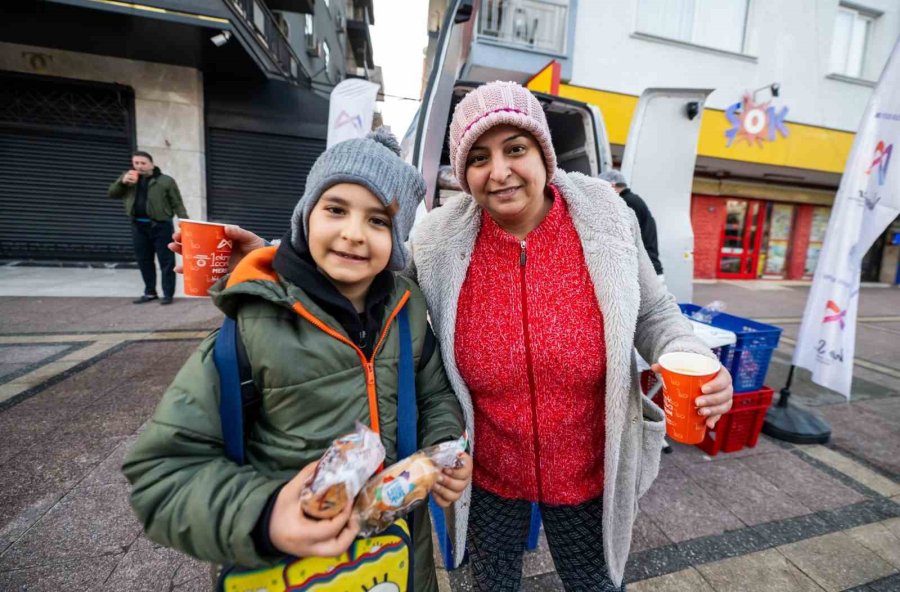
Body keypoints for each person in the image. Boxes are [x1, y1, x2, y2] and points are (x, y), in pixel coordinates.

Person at [172, 82, 734, 591]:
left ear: (543, 154)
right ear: (463, 173)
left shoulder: (605, 216)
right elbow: (362, 271)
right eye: (479, 158)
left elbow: (654, 311)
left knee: (594, 583)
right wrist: (272, 261)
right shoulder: (440, 237)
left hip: (589, 466)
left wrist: (688, 354)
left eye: (515, 148)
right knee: (489, 587)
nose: (499, 171)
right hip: (485, 471)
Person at [123, 129, 473, 592]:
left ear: (398, 239)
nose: (353, 233)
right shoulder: (254, 323)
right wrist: (266, 516)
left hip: (399, 560)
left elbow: (434, 394)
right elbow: (161, 475)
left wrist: (443, 448)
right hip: (289, 571)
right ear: (306, 215)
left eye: (377, 220)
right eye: (335, 209)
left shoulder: (408, 312)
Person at [108, 151, 188, 305]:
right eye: (136, 163)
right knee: (144, 260)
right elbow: (112, 194)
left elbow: (177, 203)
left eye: (143, 163)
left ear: (151, 164)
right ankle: (150, 292)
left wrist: (186, 223)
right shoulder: (129, 179)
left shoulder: (165, 181)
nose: (139, 166)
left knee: (166, 261)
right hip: (138, 226)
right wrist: (122, 182)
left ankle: (168, 294)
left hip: (161, 226)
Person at [598, 169, 664, 278]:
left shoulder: (626, 203)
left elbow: (622, 238)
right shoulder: (633, 200)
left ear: (612, 185)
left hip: (646, 274)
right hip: (649, 270)